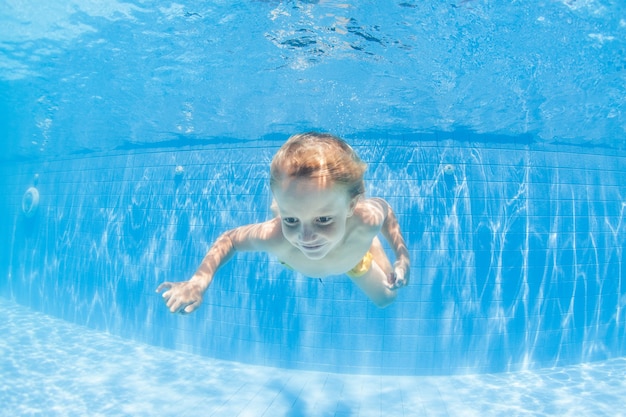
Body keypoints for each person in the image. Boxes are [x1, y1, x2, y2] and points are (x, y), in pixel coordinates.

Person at [156, 132, 410, 313]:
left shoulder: (366, 219)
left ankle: (369, 245)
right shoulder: (275, 235)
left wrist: (402, 257)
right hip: (313, 252)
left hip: (352, 255)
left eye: (323, 219)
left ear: (351, 207)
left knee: (386, 299)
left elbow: (386, 212)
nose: (305, 237)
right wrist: (198, 282)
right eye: (290, 218)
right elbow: (230, 239)